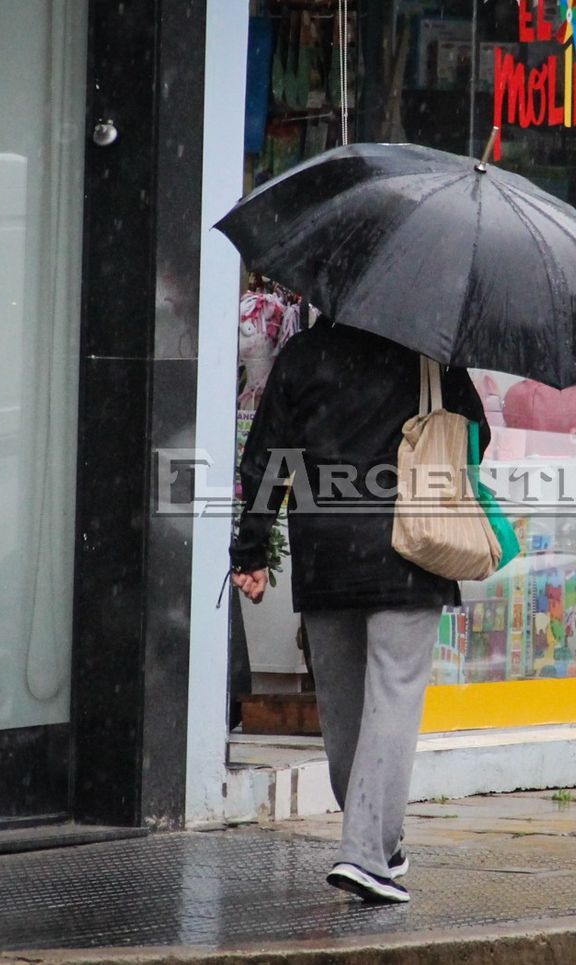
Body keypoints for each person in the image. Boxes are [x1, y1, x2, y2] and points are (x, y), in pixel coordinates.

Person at [231, 319, 489, 905]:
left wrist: (250, 548)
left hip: (326, 556)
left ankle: (382, 843)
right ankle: (364, 854)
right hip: (410, 549)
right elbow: (477, 435)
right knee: (392, 699)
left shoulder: (304, 352)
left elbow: (268, 457)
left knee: (343, 710)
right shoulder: (429, 352)